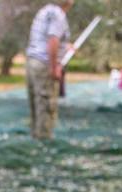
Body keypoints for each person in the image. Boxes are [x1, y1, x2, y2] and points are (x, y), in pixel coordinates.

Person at [25, 1, 74, 139]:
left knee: (36, 105)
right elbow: (53, 39)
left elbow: (47, 38)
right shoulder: (58, 14)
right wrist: (54, 67)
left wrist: (65, 46)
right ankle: (43, 142)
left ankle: (35, 138)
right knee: (46, 107)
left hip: (32, 62)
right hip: (44, 65)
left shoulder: (46, 10)